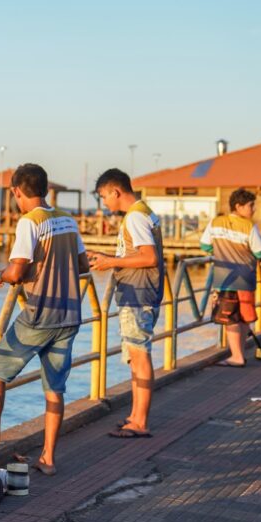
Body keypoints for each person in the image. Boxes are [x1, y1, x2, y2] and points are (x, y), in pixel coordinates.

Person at [0, 164, 89, 473]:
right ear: (45, 188)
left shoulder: (29, 223)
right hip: (70, 314)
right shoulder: (68, 221)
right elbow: (82, 265)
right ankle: (48, 458)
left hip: (39, 314)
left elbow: (16, 271)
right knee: (55, 388)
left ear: (17, 191)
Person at [87, 169, 164, 439]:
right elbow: (138, 253)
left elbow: (148, 257)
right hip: (143, 292)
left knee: (140, 356)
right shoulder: (143, 212)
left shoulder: (135, 217)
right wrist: (107, 256)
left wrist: (110, 262)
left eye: (103, 197)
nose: (104, 202)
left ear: (115, 192)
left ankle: (140, 421)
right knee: (135, 356)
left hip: (138, 294)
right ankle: (135, 415)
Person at [200, 188, 261, 366]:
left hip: (225, 278)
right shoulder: (249, 226)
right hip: (246, 278)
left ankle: (236, 356)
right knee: (244, 317)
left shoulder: (215, 222)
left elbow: (205, 245)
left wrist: (220, 251)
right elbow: (260, 252)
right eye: (251, 206)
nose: (254, 210)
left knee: (230, 318)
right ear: (239, 206)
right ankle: (240, 353)